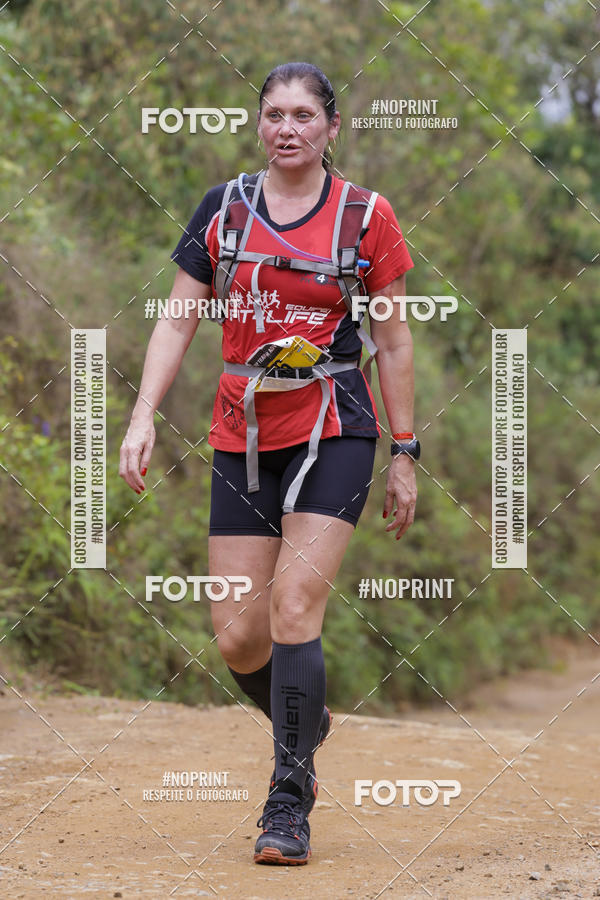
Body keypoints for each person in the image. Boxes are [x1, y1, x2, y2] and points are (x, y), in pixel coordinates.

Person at [119, 61, 417, 866]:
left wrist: (405, 452)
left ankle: (289, 801)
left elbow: (392, 338)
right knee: (238, 638)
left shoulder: (365, 217)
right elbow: (178, 322)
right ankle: (303, 717)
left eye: (304, 115)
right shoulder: (223, 208)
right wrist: (143, 415)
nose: (288, 127)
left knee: (293, 607)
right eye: (274, 113)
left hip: (335, 428)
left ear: (331, 126)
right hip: (241, 436)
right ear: (260, 124)